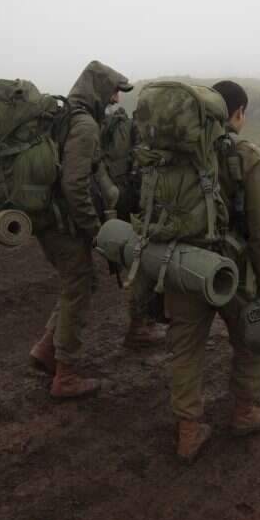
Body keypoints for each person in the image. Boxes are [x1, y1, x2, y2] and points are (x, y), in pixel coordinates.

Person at [165, 80, 260, 462]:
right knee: (253, 334)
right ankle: (245, 412)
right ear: (238, 113)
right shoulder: (245, 155)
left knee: (185, 347)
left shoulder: (172, 153)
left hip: (181, 264)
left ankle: (189, 430)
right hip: (230, 271)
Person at [28, 60, 133, 399]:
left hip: (47, 219)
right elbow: (75, 184)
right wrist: (95, 231)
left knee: (79, 281)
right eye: (114, 90)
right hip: (62, 222)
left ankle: (47, 349)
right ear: (100, 89)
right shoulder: (84, 124)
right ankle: (66, 375)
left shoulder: (63, 115)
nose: (117, 99)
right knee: (79, 285)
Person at [100, 103, 166, 349]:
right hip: (133, 207)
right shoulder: (140, 134)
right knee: (144, 262)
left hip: (109, 204)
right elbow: (142, 174)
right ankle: (139, 327)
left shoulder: (113, 127)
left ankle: (142, 323)